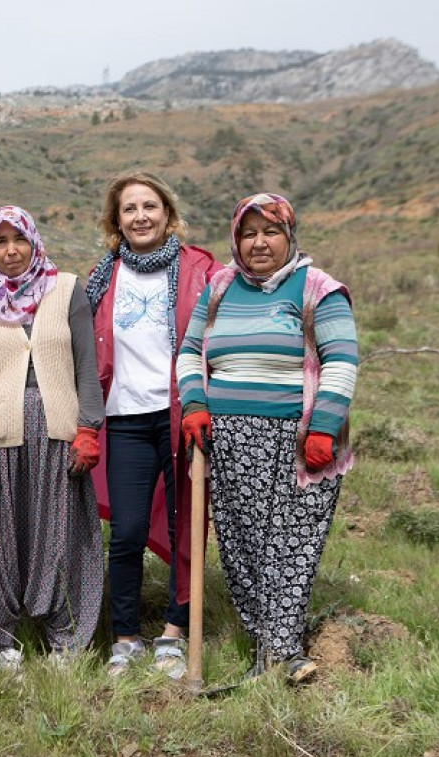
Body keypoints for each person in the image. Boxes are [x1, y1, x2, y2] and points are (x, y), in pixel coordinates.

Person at [176, 192, 358, 684]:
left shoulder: (317, 288)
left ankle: (282, 652)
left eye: (270, 232)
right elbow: (190, 351)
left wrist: (322, 428)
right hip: (229, 439)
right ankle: (272, 646)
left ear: (289, 236)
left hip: (298, 442)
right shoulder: (219, 287)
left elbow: (342, 361)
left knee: (290, 546)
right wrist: (194, 405)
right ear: (236, 239)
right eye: (249, 233)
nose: (259, 242)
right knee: (243, 548)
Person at [0, 206, 104, 670]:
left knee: (62, 537)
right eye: (0, 242)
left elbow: (87, 368)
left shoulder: (67, 290)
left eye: (19, 239)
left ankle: (67, 642)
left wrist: (88, 428)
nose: (11, 250)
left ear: (35, 242)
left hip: (58, 432)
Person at [85, 171, 223, 678]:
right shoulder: (102, 277)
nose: (140, 216)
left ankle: (174, 632)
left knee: (185, 525)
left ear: (167, 213)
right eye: (129, 209)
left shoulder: (200, 270)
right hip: (125, 418)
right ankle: (125, 637)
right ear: (116, 220)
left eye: (149, 206)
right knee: (127, 532)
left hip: (183, 415)